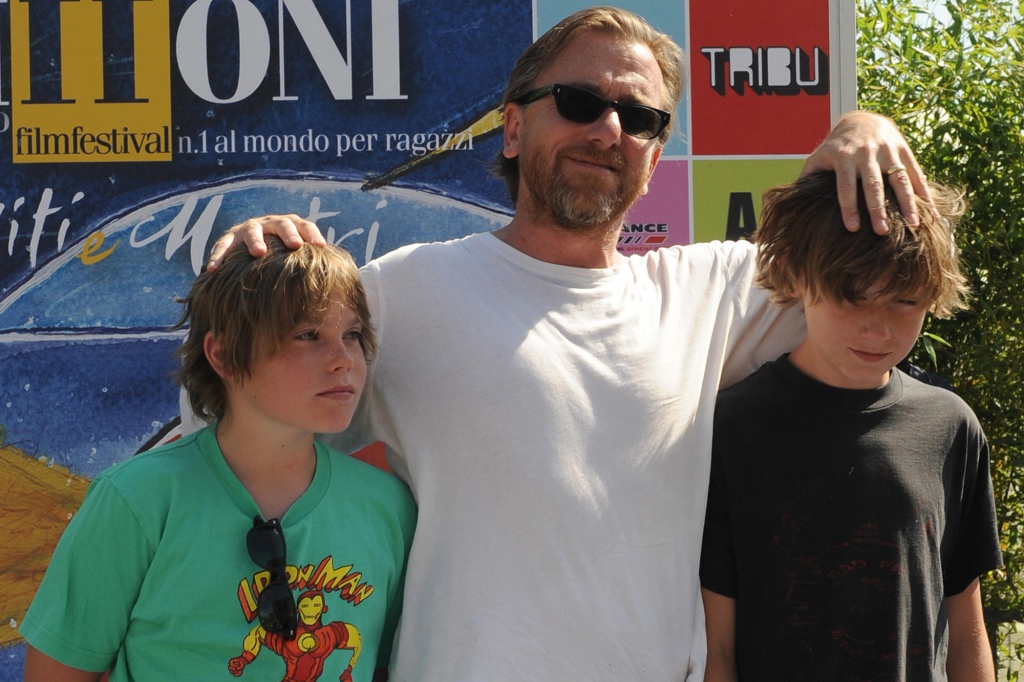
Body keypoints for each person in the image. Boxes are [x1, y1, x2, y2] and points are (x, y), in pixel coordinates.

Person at [204, 7, 935, 680]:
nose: (609, 129)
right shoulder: (400, 294)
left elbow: (874, 282)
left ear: (655, 161)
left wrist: (865, 127)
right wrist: (258, 274)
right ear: (513, 129)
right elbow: (237, 427)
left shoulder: (712, 291)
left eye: (642, 117)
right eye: (581, 102)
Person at [21, 238, 415, 682]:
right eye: (308, 336)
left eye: (353, 335)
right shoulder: (136, 501)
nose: (344, 361)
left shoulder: (387, 508)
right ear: (224, 355)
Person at [699, 171, 1001, 681]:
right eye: (851, 295)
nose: (878, 328)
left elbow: (966, 631)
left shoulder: (951, 427)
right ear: (797, 277)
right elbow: (716, 650)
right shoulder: (730, 430)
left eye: (904, 301)